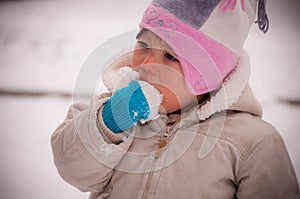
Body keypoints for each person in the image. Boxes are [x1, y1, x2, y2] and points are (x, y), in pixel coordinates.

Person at [51, 0, 300, 198]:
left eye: (170, 57)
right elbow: (72, 171)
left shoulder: (252, 143)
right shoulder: (112, 109)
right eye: (144, 45)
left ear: (208, 75)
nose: (147, 64)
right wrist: (109, 123)